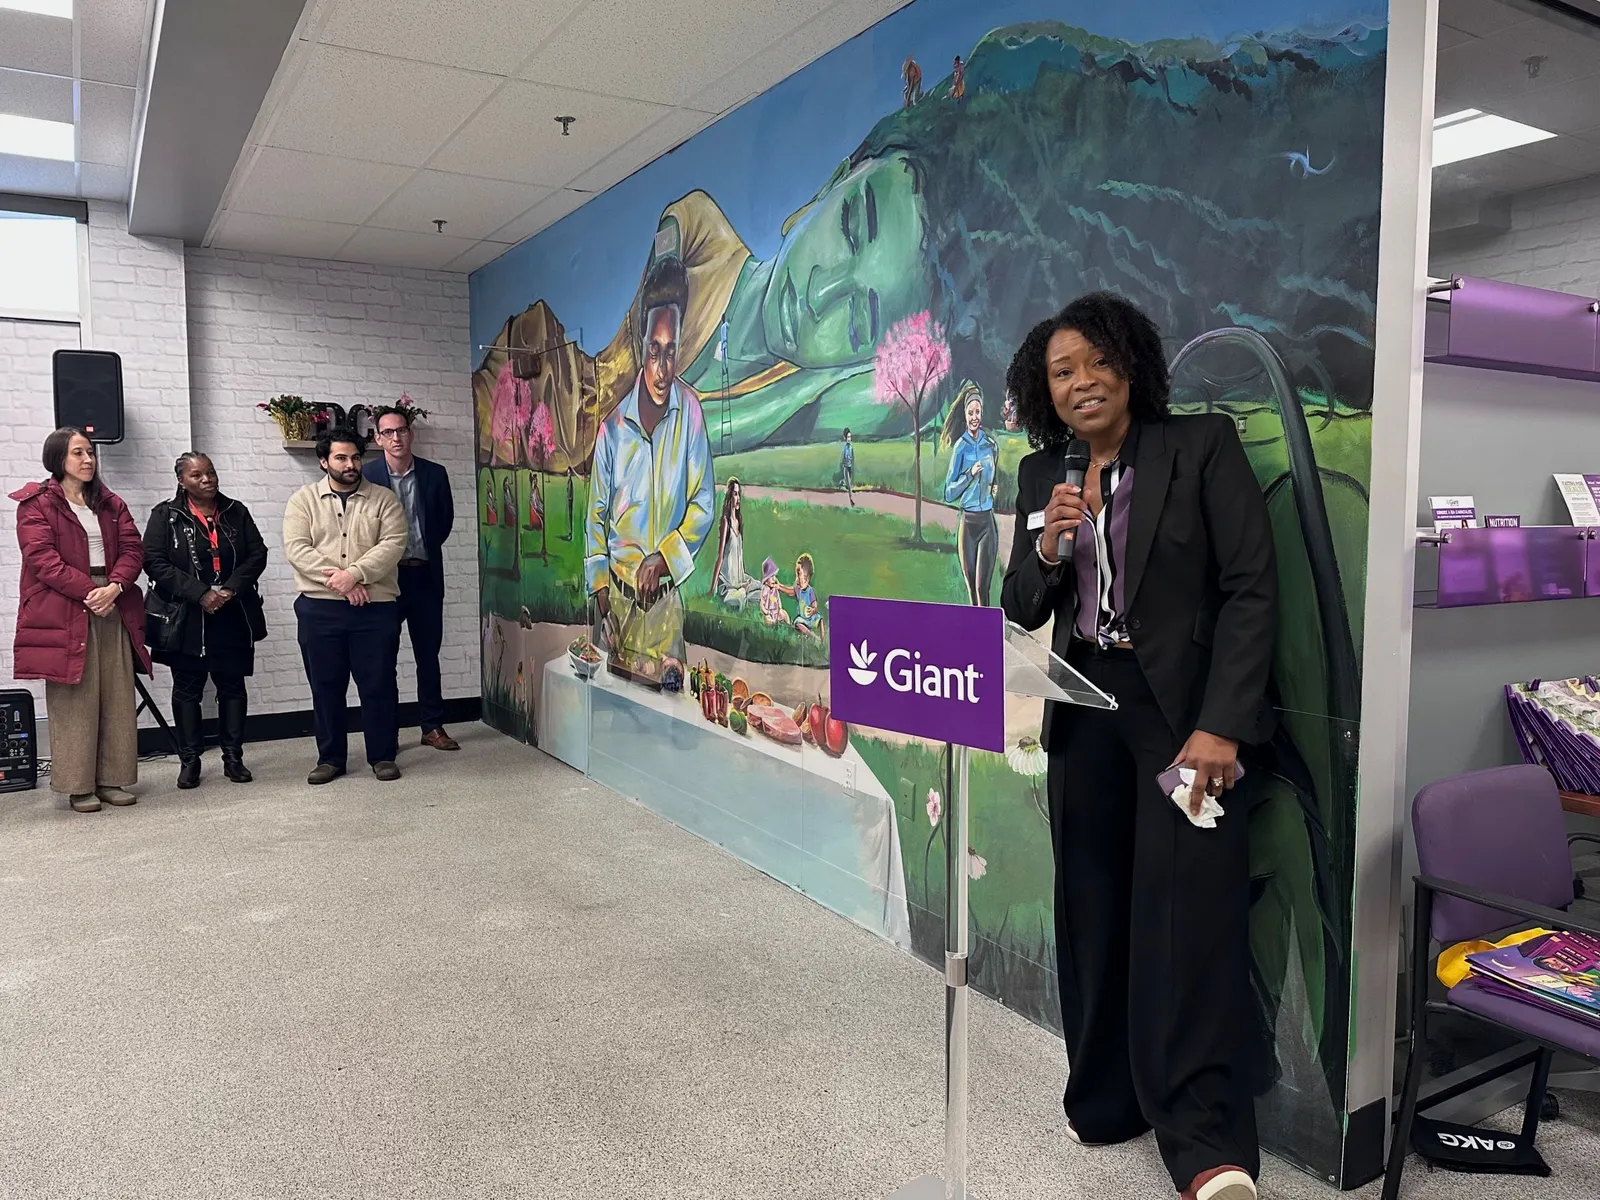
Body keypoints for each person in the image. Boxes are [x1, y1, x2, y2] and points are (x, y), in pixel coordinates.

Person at [1000, 294, 1276, 1200]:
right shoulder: (1046, 471)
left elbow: (1249, 590)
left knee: (1188, 917)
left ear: (1131, 364)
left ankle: (1205, 1143)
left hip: (1183, 717)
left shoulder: (1201, 448)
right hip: (1084, 712)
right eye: (1061, 372)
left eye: (1094, 363)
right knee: (1093, 905)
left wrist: (1222, 722)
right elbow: (1021, 606)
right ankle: (1107, 1099)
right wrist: (1048, 544)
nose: (1081, 383)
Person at [585, 254, 714, 671]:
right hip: (615, 608)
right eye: (654, 352)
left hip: (665, 608)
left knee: (672, 727)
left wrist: (663, 558)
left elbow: (704, 505)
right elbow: (595, 520)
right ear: (642, 345)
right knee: (611, 725)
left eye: (671, 353)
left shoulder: (691, 414)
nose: (662, 369)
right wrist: (603, 601)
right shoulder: (613, 429)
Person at [11, 428, 149, 812]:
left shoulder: (109, 502)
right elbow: (41, 559)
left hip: (111, 599)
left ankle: (111, 779)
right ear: (58, 459)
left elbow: (133, 549)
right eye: (78, 453)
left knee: (117, 693)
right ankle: (78, 785)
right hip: (67, 601)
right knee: (75, 696)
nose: (88, 459)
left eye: (90, 452)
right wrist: (91, 591)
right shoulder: (36, 504)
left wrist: (116, 586)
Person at [284, 428, 408, 784]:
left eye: (355, 457)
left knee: (378, 683)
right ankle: (331, 758)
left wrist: (354, 574)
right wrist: (340, 583)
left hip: (375, 607)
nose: (350, 464)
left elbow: (392, 544)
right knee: (325, 685)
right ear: (324, 461)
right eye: (341, 458)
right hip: (320, 609)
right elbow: (297, 549)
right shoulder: (303, 501)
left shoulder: (384, 500)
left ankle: (383, 755)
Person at [142, 453, 268, 789]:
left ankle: (233, 757)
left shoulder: (236, 511)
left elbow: (258, 554)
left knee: (232, 686)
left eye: (210, 472)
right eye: (197, 475)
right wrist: (200, 593)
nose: (207, 479)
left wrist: (228, 590)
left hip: (232, 613)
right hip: (185, 617)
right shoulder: (165, 516)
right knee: (187, 690)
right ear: (181, 480)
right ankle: (190, 760)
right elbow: (154, 562)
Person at [363, 408, 460, 753]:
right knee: (382, 658)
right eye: (387, 432)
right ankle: (386, 731)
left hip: (424, 576)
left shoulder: (435, 474)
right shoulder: (367, 475)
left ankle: (432, 726)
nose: (396, 438)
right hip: (385, 580)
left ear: (411, 434)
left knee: (428, 656)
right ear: (377, 439)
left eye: (401, 430)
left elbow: (443, 522)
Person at [942, 382, 999, 606]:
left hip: (987, 523)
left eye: (978, 412)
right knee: (972, 594)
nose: (974, 417)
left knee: (982, 590)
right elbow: (948, 493)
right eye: (970, 412)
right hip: (968, 524)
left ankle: (986, 638)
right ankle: (973, 637)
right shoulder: (960, 448)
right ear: (964, 415)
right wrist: (969, 474)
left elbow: (993, 478)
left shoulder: (991, 445)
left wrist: (993, 488)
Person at [708, 478, 754, 611]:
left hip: (738, 578)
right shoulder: (725, 522)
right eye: (735, 494)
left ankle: (743, 589)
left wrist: (742, 578)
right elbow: (721, 555)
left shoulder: (739, 521)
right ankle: (741, 592)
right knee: (738, 599)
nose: (738, 498)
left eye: (739, 494)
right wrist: (712, 589)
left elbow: (739, 554)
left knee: (760, 590)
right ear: (729, 496)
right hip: (727, 584)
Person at [840, 429, 855, 505]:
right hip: (846, 467)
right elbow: (843, 458)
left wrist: (851, 460)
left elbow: (852, 457)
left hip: (850, 467)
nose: (849, 438)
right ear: (845, 438)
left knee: (849, 484)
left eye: (850, 437)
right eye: (848, 437)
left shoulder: (851, 447)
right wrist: (844, 462)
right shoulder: (845, 447)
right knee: (849, 486)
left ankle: (842, 482)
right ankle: (851, 500)